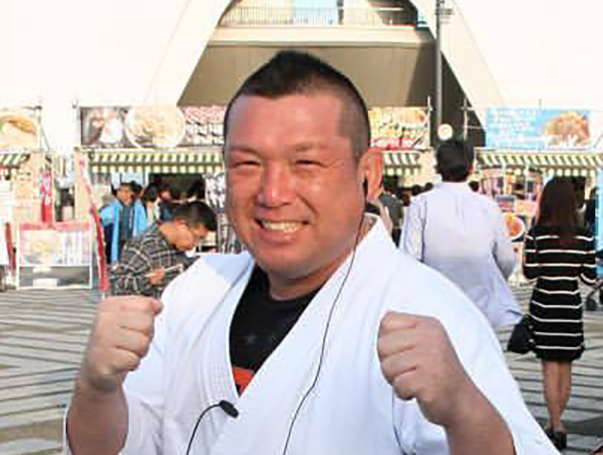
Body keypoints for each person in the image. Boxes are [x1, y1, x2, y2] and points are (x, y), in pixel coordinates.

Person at [64, 51, 556, 455]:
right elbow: (117, 445)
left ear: (369, 175)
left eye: (306, 163)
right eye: (247, 164)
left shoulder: (429, 311)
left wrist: (465, 410)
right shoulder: (197, 289)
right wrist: (96, 387)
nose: (272, 193)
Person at [398, 139, 522, 328]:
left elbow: (410, 258)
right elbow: (506, 259)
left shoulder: (421, 204)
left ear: (437, 167)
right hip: (487, 310)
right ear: (471, 169)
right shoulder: (489, 206)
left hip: (436, 307)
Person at [523, 177, 597, 450]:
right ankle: (555, 423)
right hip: (569, 308)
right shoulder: (584, 236)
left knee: (549, 367)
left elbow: (530, 273)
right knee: (566, 367)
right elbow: (589, 277)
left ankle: (556, 425)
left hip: (544, 307)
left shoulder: (537, 234)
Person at [110, 201, 217, 299]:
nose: (195, 244)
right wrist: (147, 281)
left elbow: (180, 267)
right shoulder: (143, 246)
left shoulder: (176, 246)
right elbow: (117, 284)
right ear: (181, 224)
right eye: (196, 237)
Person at [102, 183, 147, 263]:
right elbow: (104, 215)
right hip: (119, 241)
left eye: (120, 190)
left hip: (133, 242)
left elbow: (142, 227)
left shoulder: (138, 208)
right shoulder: (116, 206)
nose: (118, 193)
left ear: (129, 193)